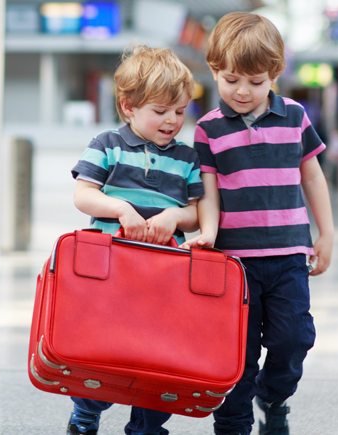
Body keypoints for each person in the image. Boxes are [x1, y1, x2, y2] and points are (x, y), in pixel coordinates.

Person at [180, 12, 334, 435]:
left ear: (275, 74)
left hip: (288, 256)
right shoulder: (208, 129)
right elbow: (207, 188)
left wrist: (327, 233)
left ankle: (274, 395)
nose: (242, 91)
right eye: (230, 80)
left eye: (255, 81)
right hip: (234, 263)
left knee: (294, 339)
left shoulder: (295, 117)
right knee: (235, 356)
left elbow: (312, 175)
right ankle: (233, 427)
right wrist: (207, 234)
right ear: (214, 71)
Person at [67, 45, 203, 435]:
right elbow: (83, 194)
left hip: (164, 277)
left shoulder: (187, 158)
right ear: (128, 106)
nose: (172, 121)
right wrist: (121, 209)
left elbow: (195, 213)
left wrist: (176, 216)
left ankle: (147, 428)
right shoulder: (107, 143)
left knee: (159, 359)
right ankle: (86, 411)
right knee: (103, 350)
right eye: (160, 112)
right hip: (110, 272)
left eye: (179, 112)